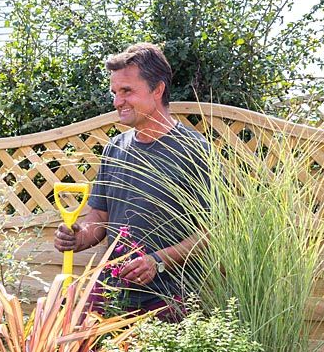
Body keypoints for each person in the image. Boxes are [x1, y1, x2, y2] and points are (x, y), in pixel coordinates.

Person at [54, 42, 209, 316]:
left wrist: (158, 261)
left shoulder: (194, 150)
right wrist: (79, 237)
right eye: (115, 92)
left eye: (127, 91)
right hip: (113, 292)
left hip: (170, 296)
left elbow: (211, 233)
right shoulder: (115, 148)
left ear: (157, 89)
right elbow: (99, 217)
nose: (117, 101)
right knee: (71, 341)